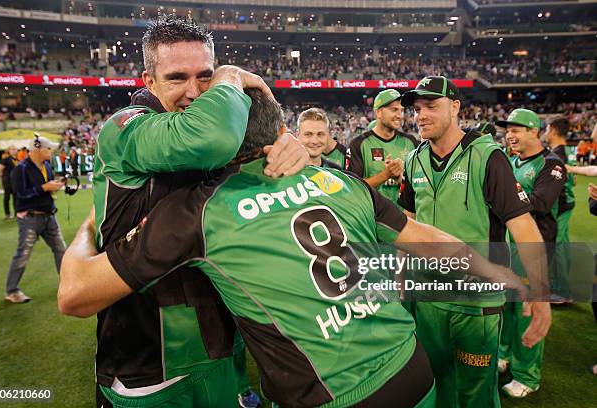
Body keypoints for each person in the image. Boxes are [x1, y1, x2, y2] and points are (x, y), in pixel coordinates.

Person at [60, 88, 527, 407]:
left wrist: (86, 231)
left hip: (329, 395)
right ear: (280, 131)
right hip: (410, 365)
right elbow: (429, 239)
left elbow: (75, 295)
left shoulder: (199, 209)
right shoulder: (342, 181)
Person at [59, 15, 306, 408]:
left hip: (226, 349)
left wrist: (287, 143)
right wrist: (229, 75)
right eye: (177, 78)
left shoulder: (223, 126)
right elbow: (205, 138)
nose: (194, 91)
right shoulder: (125, 128)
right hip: (148, 370)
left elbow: (261, 147)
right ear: (149, 81)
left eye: (205, 76)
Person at [398, 76, 552, 407]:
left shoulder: (487, 156)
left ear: (455, 107)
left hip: (475, 301)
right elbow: (407, 222)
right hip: (427, 297)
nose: (421, 115)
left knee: (476, 392)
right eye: (417, 108)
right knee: (435, 384)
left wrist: (540, 292)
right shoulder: (414, 160)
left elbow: (523, 225)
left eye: (431, 107)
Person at [495, 108, 566, 398]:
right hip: (508, 247)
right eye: (507, 130)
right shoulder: (511, 161)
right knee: (507, 305)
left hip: (535, 249)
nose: (509, 135)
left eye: (516, 129)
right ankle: (505, 354)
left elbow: (540, 204)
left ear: (534, 131)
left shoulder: (552, 165)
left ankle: (527, 375)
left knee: (528, 310)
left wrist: (508, 189)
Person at [5, 135, 66, 304]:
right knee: (23, 254)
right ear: (38, 149)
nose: (51, 151)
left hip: (49, 216)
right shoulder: (20, 169)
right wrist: (44, 187)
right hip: (30, 218)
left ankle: (68, 282)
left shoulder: (47, 165)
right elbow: (20, 195)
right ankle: (11, 291)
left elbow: (45, 189)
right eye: (48, 148)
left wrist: (53, 187)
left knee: (62, 250)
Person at [347, 89, 419, 205]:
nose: (399, 115)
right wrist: (386, 174)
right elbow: (353, 189)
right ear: (379, 112)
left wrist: (401, 179)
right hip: (373, 219)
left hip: (406, 218)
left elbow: (420, 186)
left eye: (402, 110)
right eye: (394, 110)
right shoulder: (358, 144)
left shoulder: (411, 142)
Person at [544, 116, 575, 303]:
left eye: (547, 129)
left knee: (559, 247)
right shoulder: (566, 151)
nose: (545, 133)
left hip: (561, 204)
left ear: (554, 130)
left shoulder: (558, 155)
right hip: (567, 201)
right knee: (563, 245)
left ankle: (563, 292)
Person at [0, 145, 18, 219]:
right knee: (7, 198)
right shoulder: (5, 160)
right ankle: (7, 214)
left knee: (16, 198)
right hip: (7, 181)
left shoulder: (17, 160)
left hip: (15, 182)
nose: (14, 150)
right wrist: (1, 179)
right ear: (9, 151)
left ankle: (17, 213)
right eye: (12, 149)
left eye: (15, 149)